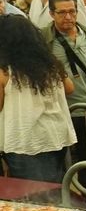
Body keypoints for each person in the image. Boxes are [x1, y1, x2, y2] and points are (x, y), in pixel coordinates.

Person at [0, 13, 77, 182]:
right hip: (55, 134)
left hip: (24, 140)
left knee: (34, 198)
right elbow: (70, 88)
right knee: (53, 189)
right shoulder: (49, 64)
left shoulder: (5, 71)